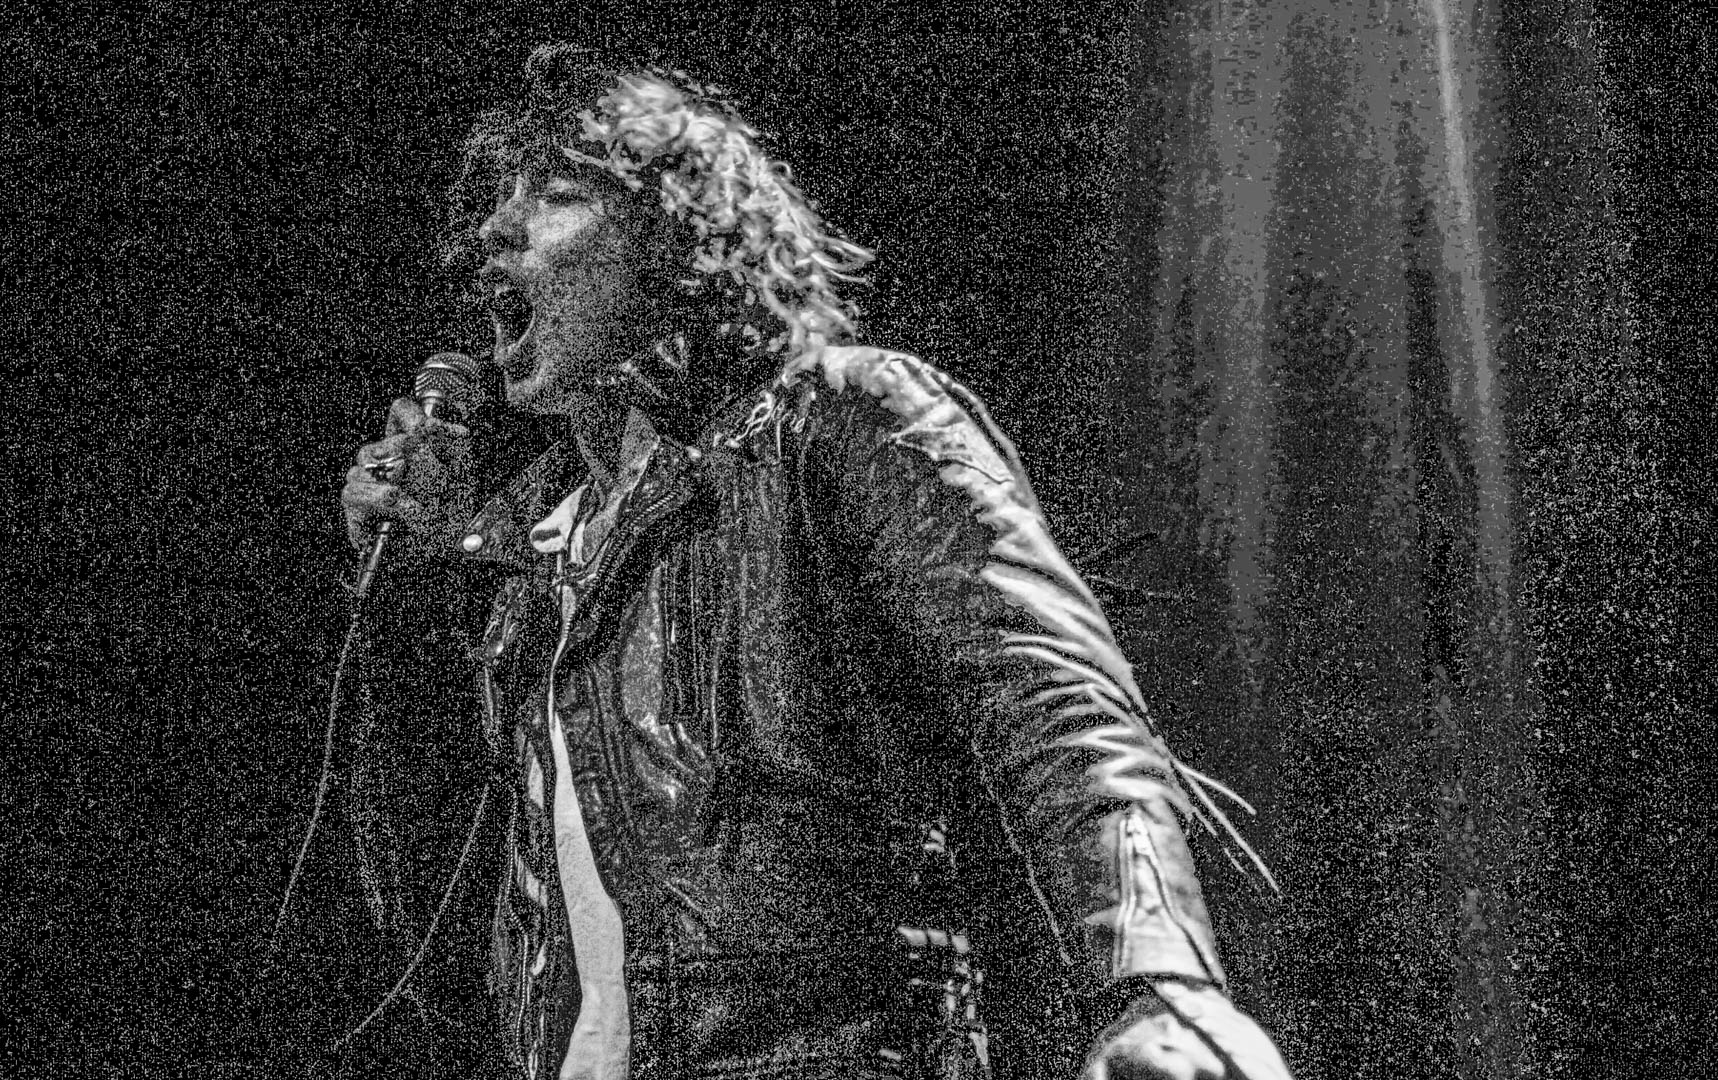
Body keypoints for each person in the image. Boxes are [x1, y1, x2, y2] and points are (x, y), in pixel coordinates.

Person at [338, 43, 1292, 1080]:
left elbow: (1053, 707)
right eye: (497, 204)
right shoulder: (532, 560)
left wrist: (1158, 985)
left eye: (555, 196)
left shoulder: (833, 423)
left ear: (677, 243)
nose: (495, 231)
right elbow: (429, 940)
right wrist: (411, 592)